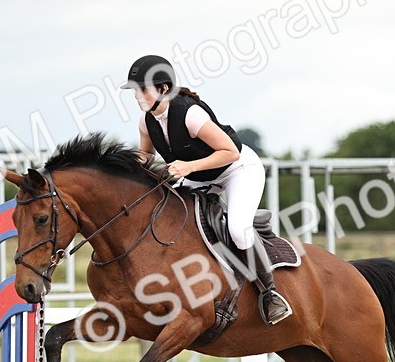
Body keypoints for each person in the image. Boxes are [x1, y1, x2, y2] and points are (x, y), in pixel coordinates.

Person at [120, 54, 292, 325]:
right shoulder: (147, 121)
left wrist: (188, 168)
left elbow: (230, 152)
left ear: (163, 89)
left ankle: (270, 293)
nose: (137, 96)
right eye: (135, 91)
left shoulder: (190, 114)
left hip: (237, 170)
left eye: (142, 89)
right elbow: (145, 155)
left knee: (237, 229)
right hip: (200, 175)